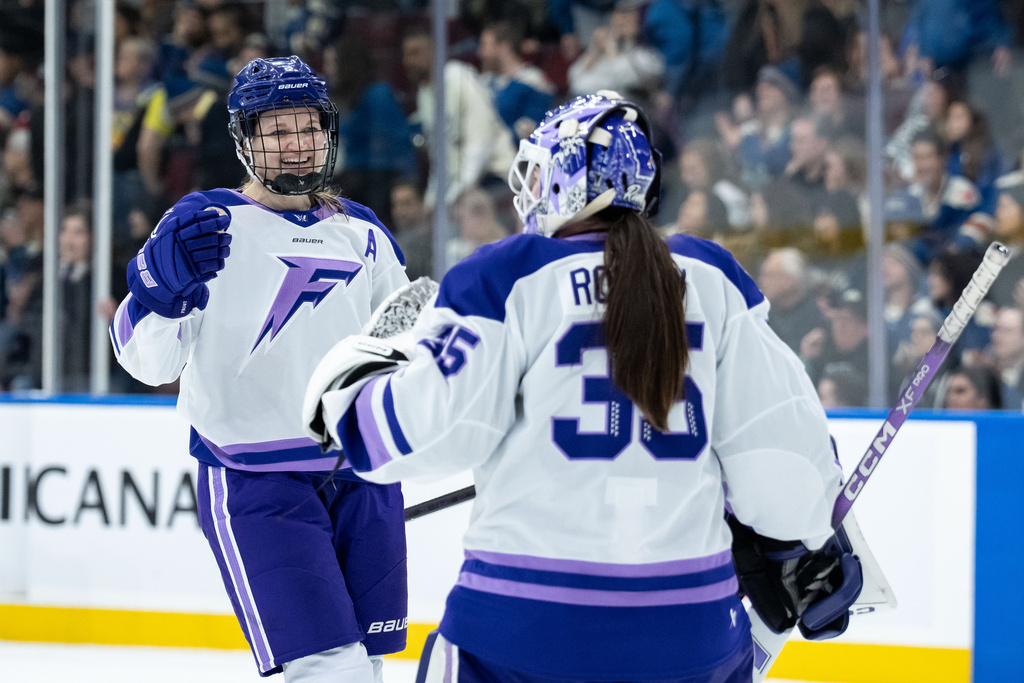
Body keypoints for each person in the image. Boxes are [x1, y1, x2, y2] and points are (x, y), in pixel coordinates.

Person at [303, 92, 863, 682]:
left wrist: (353, 380)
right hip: (692, 631)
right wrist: (802, 548)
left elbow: (413, 439)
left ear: (569, 178)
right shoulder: (712, 278)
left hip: (527, 627)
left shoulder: (506, 274)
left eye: (541, 171)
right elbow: (788, 470)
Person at [109, 56, 409, 682]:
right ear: (245, 139)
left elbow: (406, 354)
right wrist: (160, 293)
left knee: (371, 667)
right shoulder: (204, 225)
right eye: (276, 130)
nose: (296, 143)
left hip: (363, 480)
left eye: (307, 127)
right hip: (257, 483)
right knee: (330, 670)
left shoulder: (364, 232)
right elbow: (146, 361)